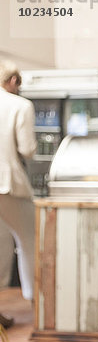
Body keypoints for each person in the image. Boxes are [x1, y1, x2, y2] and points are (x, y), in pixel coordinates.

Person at [0, 61, 37, 327]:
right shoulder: (20, 105)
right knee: (30, 241)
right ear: (13, 80)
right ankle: (39, 303)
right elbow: (27, 149)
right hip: (8, 184)